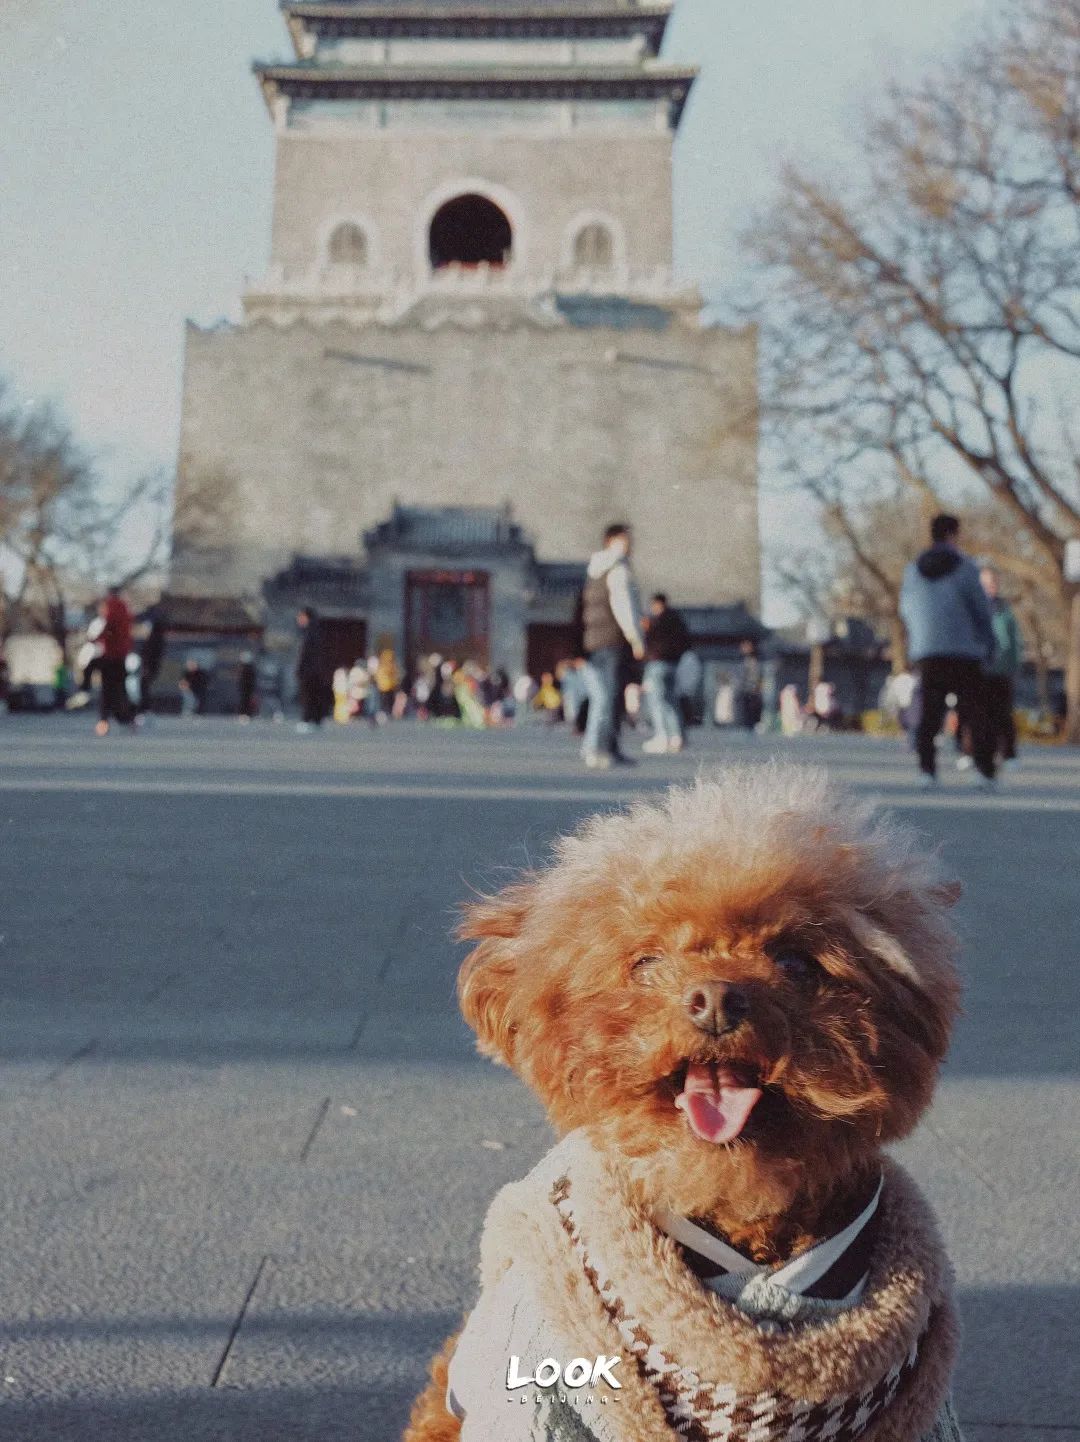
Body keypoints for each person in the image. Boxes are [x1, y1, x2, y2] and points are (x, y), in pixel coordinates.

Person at [899, 513, 996, 788]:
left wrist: (919, 641)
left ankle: (927, 771)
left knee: (929, 714)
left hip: (928, 651)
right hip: (964, 651)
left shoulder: (913, 570)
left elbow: (904, 609)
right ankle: (982, 771)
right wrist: (988, 643)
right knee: (976, 712)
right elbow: (980, 609)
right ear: (953, 534)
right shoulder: (965, 566)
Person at [580, 523, 645, 769]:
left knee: (605, 697)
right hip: (614, 640)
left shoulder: (593, 572)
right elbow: (625, 607)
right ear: (612, 541)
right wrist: (636, 639)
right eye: (625, 539)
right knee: (610, 697)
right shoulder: (618, 569)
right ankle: (603, 749)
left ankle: (604, 747)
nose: (630, 544)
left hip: (596, 641)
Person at [980, 566, 1023, 768]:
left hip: (1002, 669)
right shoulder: (975, 609)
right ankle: (976, 753)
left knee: (1003, 713)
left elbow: (1013, 642)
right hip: (979, 669)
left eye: (994, 583)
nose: (991, 587)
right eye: (987, 584)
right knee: (979, 714)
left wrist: (1014, 666)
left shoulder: (1005, 610)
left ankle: (1008, 753)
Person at [641, 592, 690, 755]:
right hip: (673, 664)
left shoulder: (657, 622)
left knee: (657, 701)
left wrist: (646, 630)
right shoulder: (677, 620)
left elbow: (649, 640)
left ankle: (662, 735)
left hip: (657, 663)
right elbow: (686, 642)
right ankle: (677, 735)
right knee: (670, 700)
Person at [94, 588, 135, 736]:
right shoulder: (125, 609)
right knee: (120, 689)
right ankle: (126, 720)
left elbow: (110, 627)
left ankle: (104, 722)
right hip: (121, 655)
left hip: (110, 655)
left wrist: (98, 638)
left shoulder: (112, 606)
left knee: (106, 690)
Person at [295, 607, 327, 731]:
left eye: (301, 616)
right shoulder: (316, 631)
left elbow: (304, 654)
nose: (298, 619)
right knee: (315, 696)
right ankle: (317, 721)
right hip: (316, 670)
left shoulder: (309, 633)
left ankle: (307, 720)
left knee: (308, 696)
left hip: (309, 671)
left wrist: (300, 669)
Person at [735, 641, 763, 732]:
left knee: (749, 719)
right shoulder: (743, 661)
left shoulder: (753, 661)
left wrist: (754, 689)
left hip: (751, 693)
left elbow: (754, 678)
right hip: (744, 692)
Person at [238, 652, 258, 720]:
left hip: (247, 688)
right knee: (245, 701)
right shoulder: (247, 668)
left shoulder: (248, 669)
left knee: (246, 701)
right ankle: (245, 713)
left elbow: (250, 679)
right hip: (246, 688)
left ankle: (247, 713)